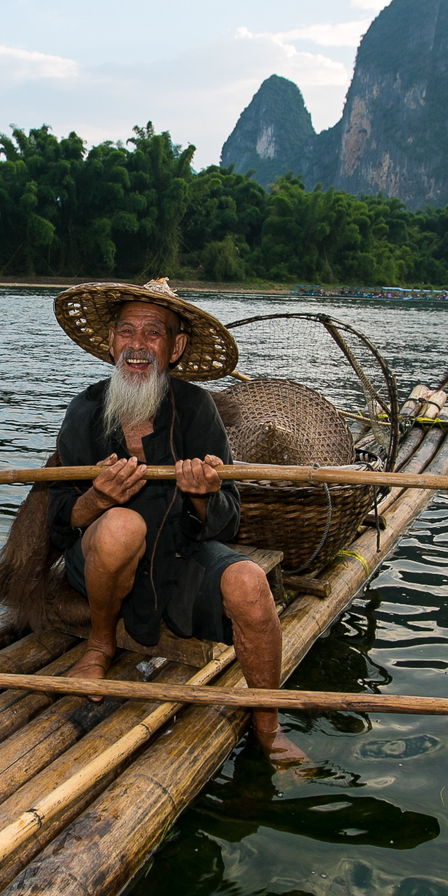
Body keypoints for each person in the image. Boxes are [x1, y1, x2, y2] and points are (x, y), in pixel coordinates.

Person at [47, 279, 304, 765]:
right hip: (103, 568)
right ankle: (100, 645)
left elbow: (227, 522)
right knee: (122, 525)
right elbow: (59, 522)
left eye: (153, 333)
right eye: (127, 331)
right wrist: (96, 501)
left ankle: (268, 726)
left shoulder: (196, 409)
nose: (138, 345)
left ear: (176, 346)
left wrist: (204, 495)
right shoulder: (84, 411)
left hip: (181, 557)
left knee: (250, 583)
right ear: (110, 341)